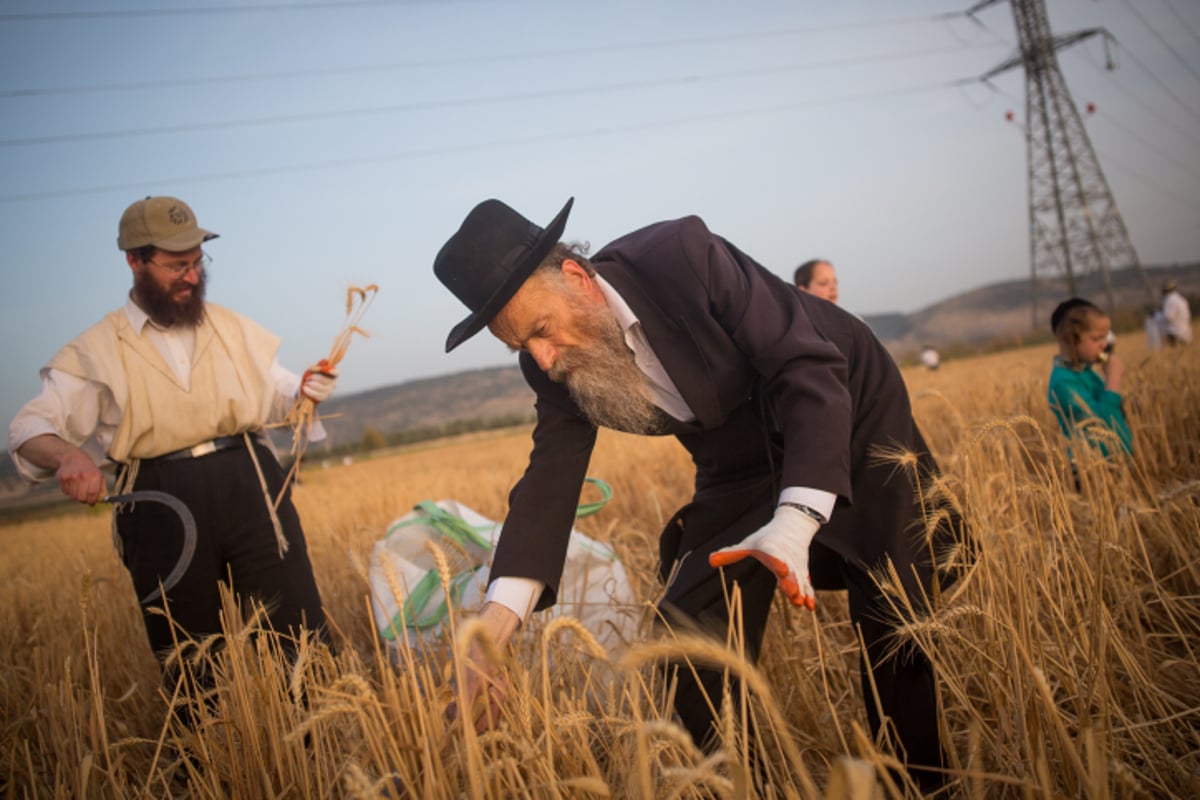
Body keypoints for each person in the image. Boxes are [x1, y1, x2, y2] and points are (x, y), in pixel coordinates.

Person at [433, 198, 963, 790]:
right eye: (520, 347)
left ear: (578, 280)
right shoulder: (549, 365)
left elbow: (804, 366)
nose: (542, 359)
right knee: (688, 631)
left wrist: (796, 517)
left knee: (894, 605)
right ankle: (737, 784)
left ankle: (925, 781)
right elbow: (547, 484)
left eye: (540, 330)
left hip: (846, 402)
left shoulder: (681, 256)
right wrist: (492, 634)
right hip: (734, 462)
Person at [7, 195, 337, 697]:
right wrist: (67, 455)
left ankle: (318, 756)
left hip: (250, 481)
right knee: (191, 658)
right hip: (159, 500)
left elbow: (278, 392)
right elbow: (29, 429)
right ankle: (211, 765)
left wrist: (304, 388)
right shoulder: (95, 348)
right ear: (134, 261)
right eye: (176, 265)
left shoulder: (230, 326)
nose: (190, 276)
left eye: (197, 262)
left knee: (299, 634)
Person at [1047, 298, 1132, 464]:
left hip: (1113, 462)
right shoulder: (1062, 383)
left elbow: (1107, 406)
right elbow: (1099, 421)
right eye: (1096, 338)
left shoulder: (1085, 372)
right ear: (1069, 339)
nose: (1103, 345)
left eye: (1105, 338)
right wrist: (1113, 380)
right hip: (1093, 469)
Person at [1161, 279, 1192, 346]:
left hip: (1174, 332)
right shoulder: (1182, 299)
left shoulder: (1169, 300)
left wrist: (1158, 317)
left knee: (1175, 353)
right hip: (1185, 331)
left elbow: (1169, 317)